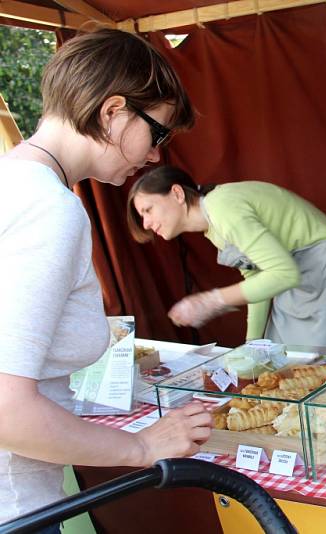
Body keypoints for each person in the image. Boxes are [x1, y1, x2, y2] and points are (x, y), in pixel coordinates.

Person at [0, 29, 213, 527]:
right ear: (112, 112)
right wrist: (141, 446)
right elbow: (6, 409)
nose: (157, 155)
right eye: (157, 132)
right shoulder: (49, 209)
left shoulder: (13, 181)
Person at [126, 165, 326, 348]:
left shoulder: (223, 207)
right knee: (285, 368)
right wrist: (253, 344)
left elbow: (283, 274)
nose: (146, 223)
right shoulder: (213, 225)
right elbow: (257, 278)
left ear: (177, 194)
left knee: (324, 385)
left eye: (148, 210)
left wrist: (211, 300)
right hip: (305, 289)